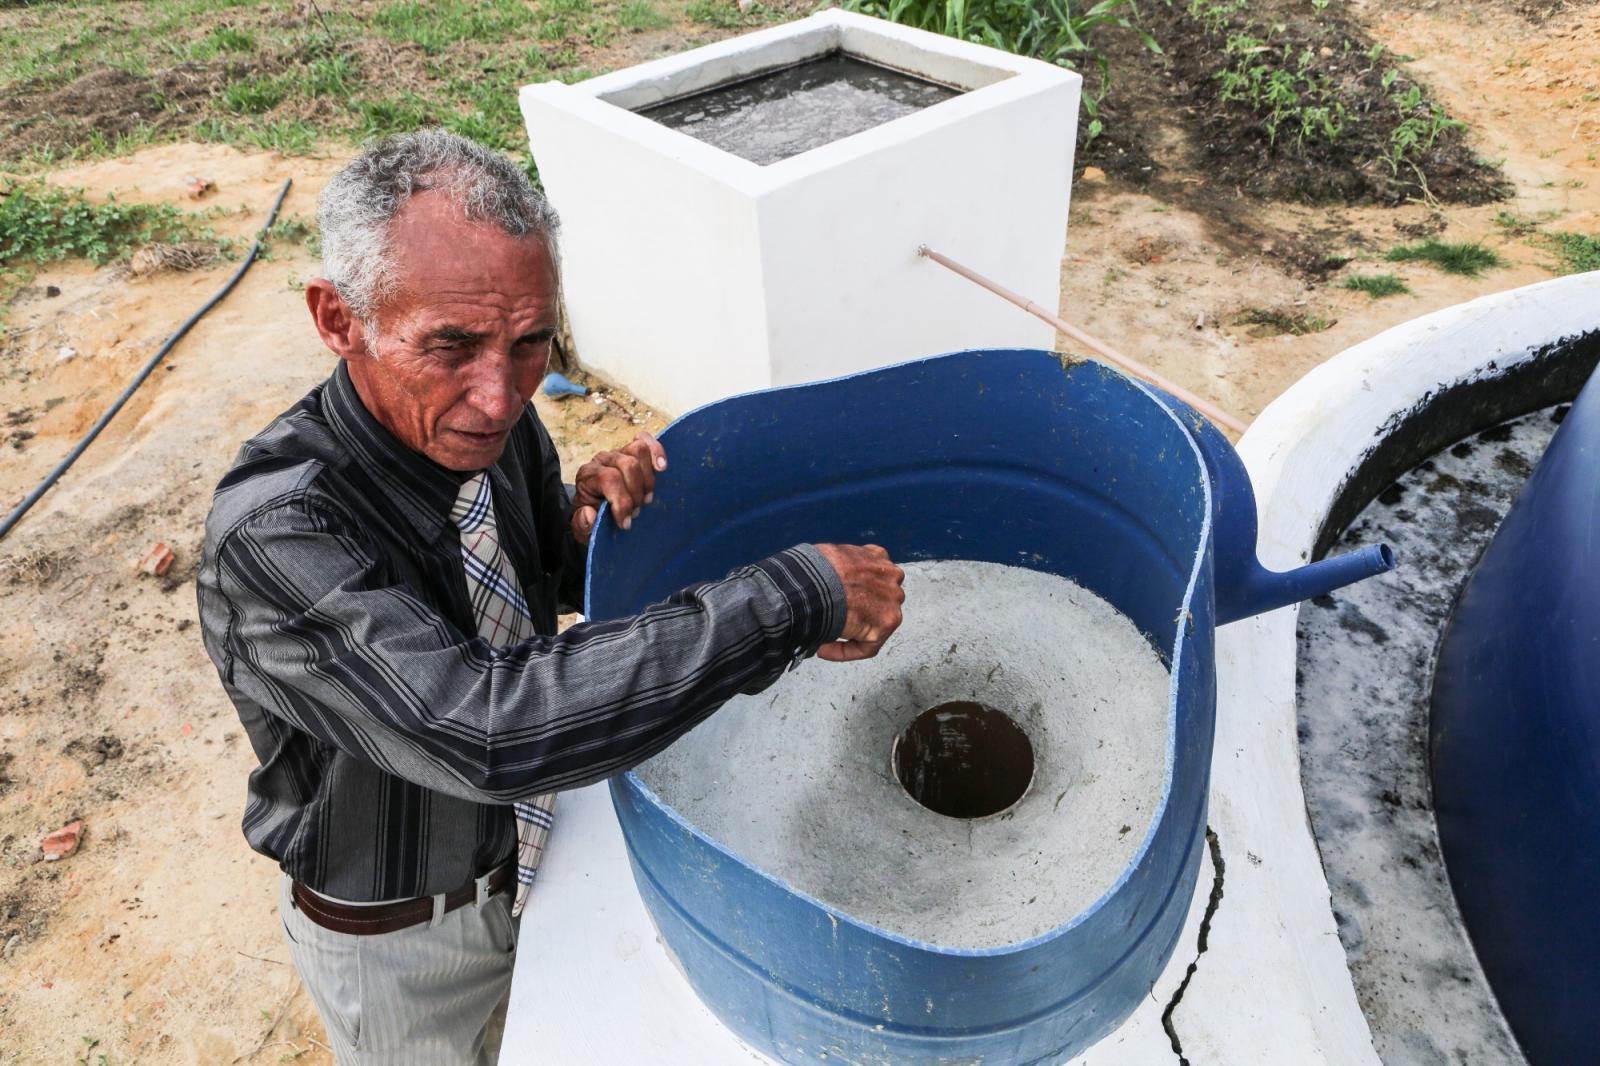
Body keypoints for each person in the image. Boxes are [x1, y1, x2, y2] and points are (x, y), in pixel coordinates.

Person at [195, 129, 905, 1065]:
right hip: (411, 940)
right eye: (450, 345)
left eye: (531, 343)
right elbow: (484, 725)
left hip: (539, 850)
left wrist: (584, 532)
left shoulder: (490, 429)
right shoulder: (277, 536)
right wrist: (786, 598)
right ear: (338, 318)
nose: (498, 395)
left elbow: (526, 589)